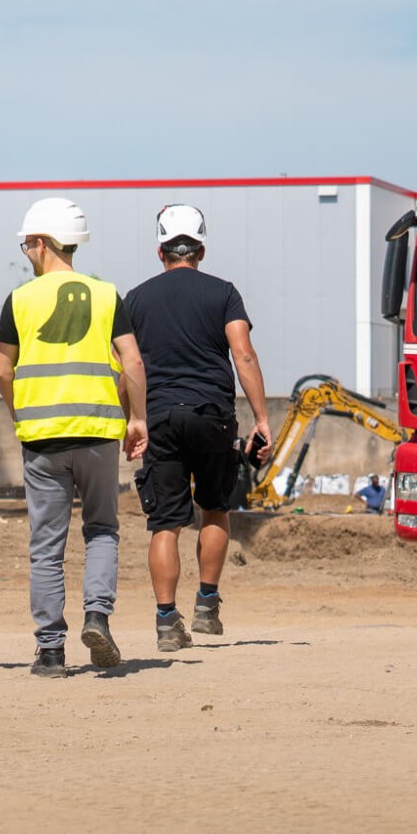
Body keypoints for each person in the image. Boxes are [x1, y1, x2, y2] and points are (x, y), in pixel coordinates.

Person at [0, 197, 149, 677]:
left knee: (47, 545)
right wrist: (137, 418)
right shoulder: (106, 295)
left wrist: (22, 414)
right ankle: (98, 616)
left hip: (42, 438)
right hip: (99, 431)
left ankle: (52, 651)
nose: (26, 252)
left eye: (27, 245)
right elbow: (133, 362)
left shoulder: (19, 299)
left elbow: (2, 369)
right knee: (102, 528)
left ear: (41, 243)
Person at [122, 204, 271, 652]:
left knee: (165, 523)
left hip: (161, 417)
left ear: (160, 251)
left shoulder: (136, 298)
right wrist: (262, 418)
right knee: (214, 507)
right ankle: (207, 605)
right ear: (200, 250)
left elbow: (126, 366)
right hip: (211, 415)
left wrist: (131, 420)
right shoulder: (223, 293)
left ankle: (167, 621)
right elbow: (243, 354)